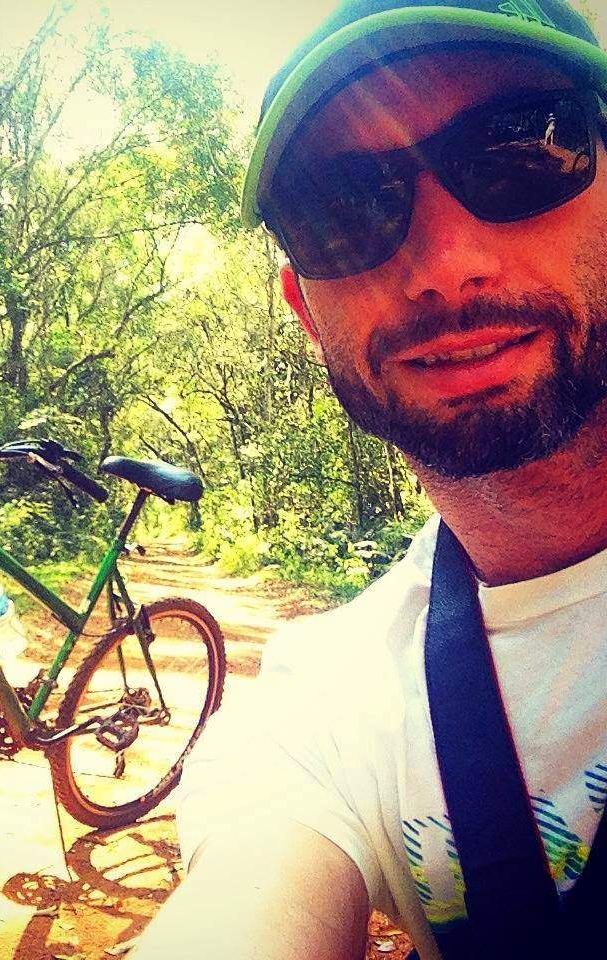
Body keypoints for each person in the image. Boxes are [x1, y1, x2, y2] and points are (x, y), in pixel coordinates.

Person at [130, 1, 607, 958]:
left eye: (521, 150)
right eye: (341, 207)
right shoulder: (326, 704)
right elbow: (252, 890)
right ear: (308, 313)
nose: (447, 266)